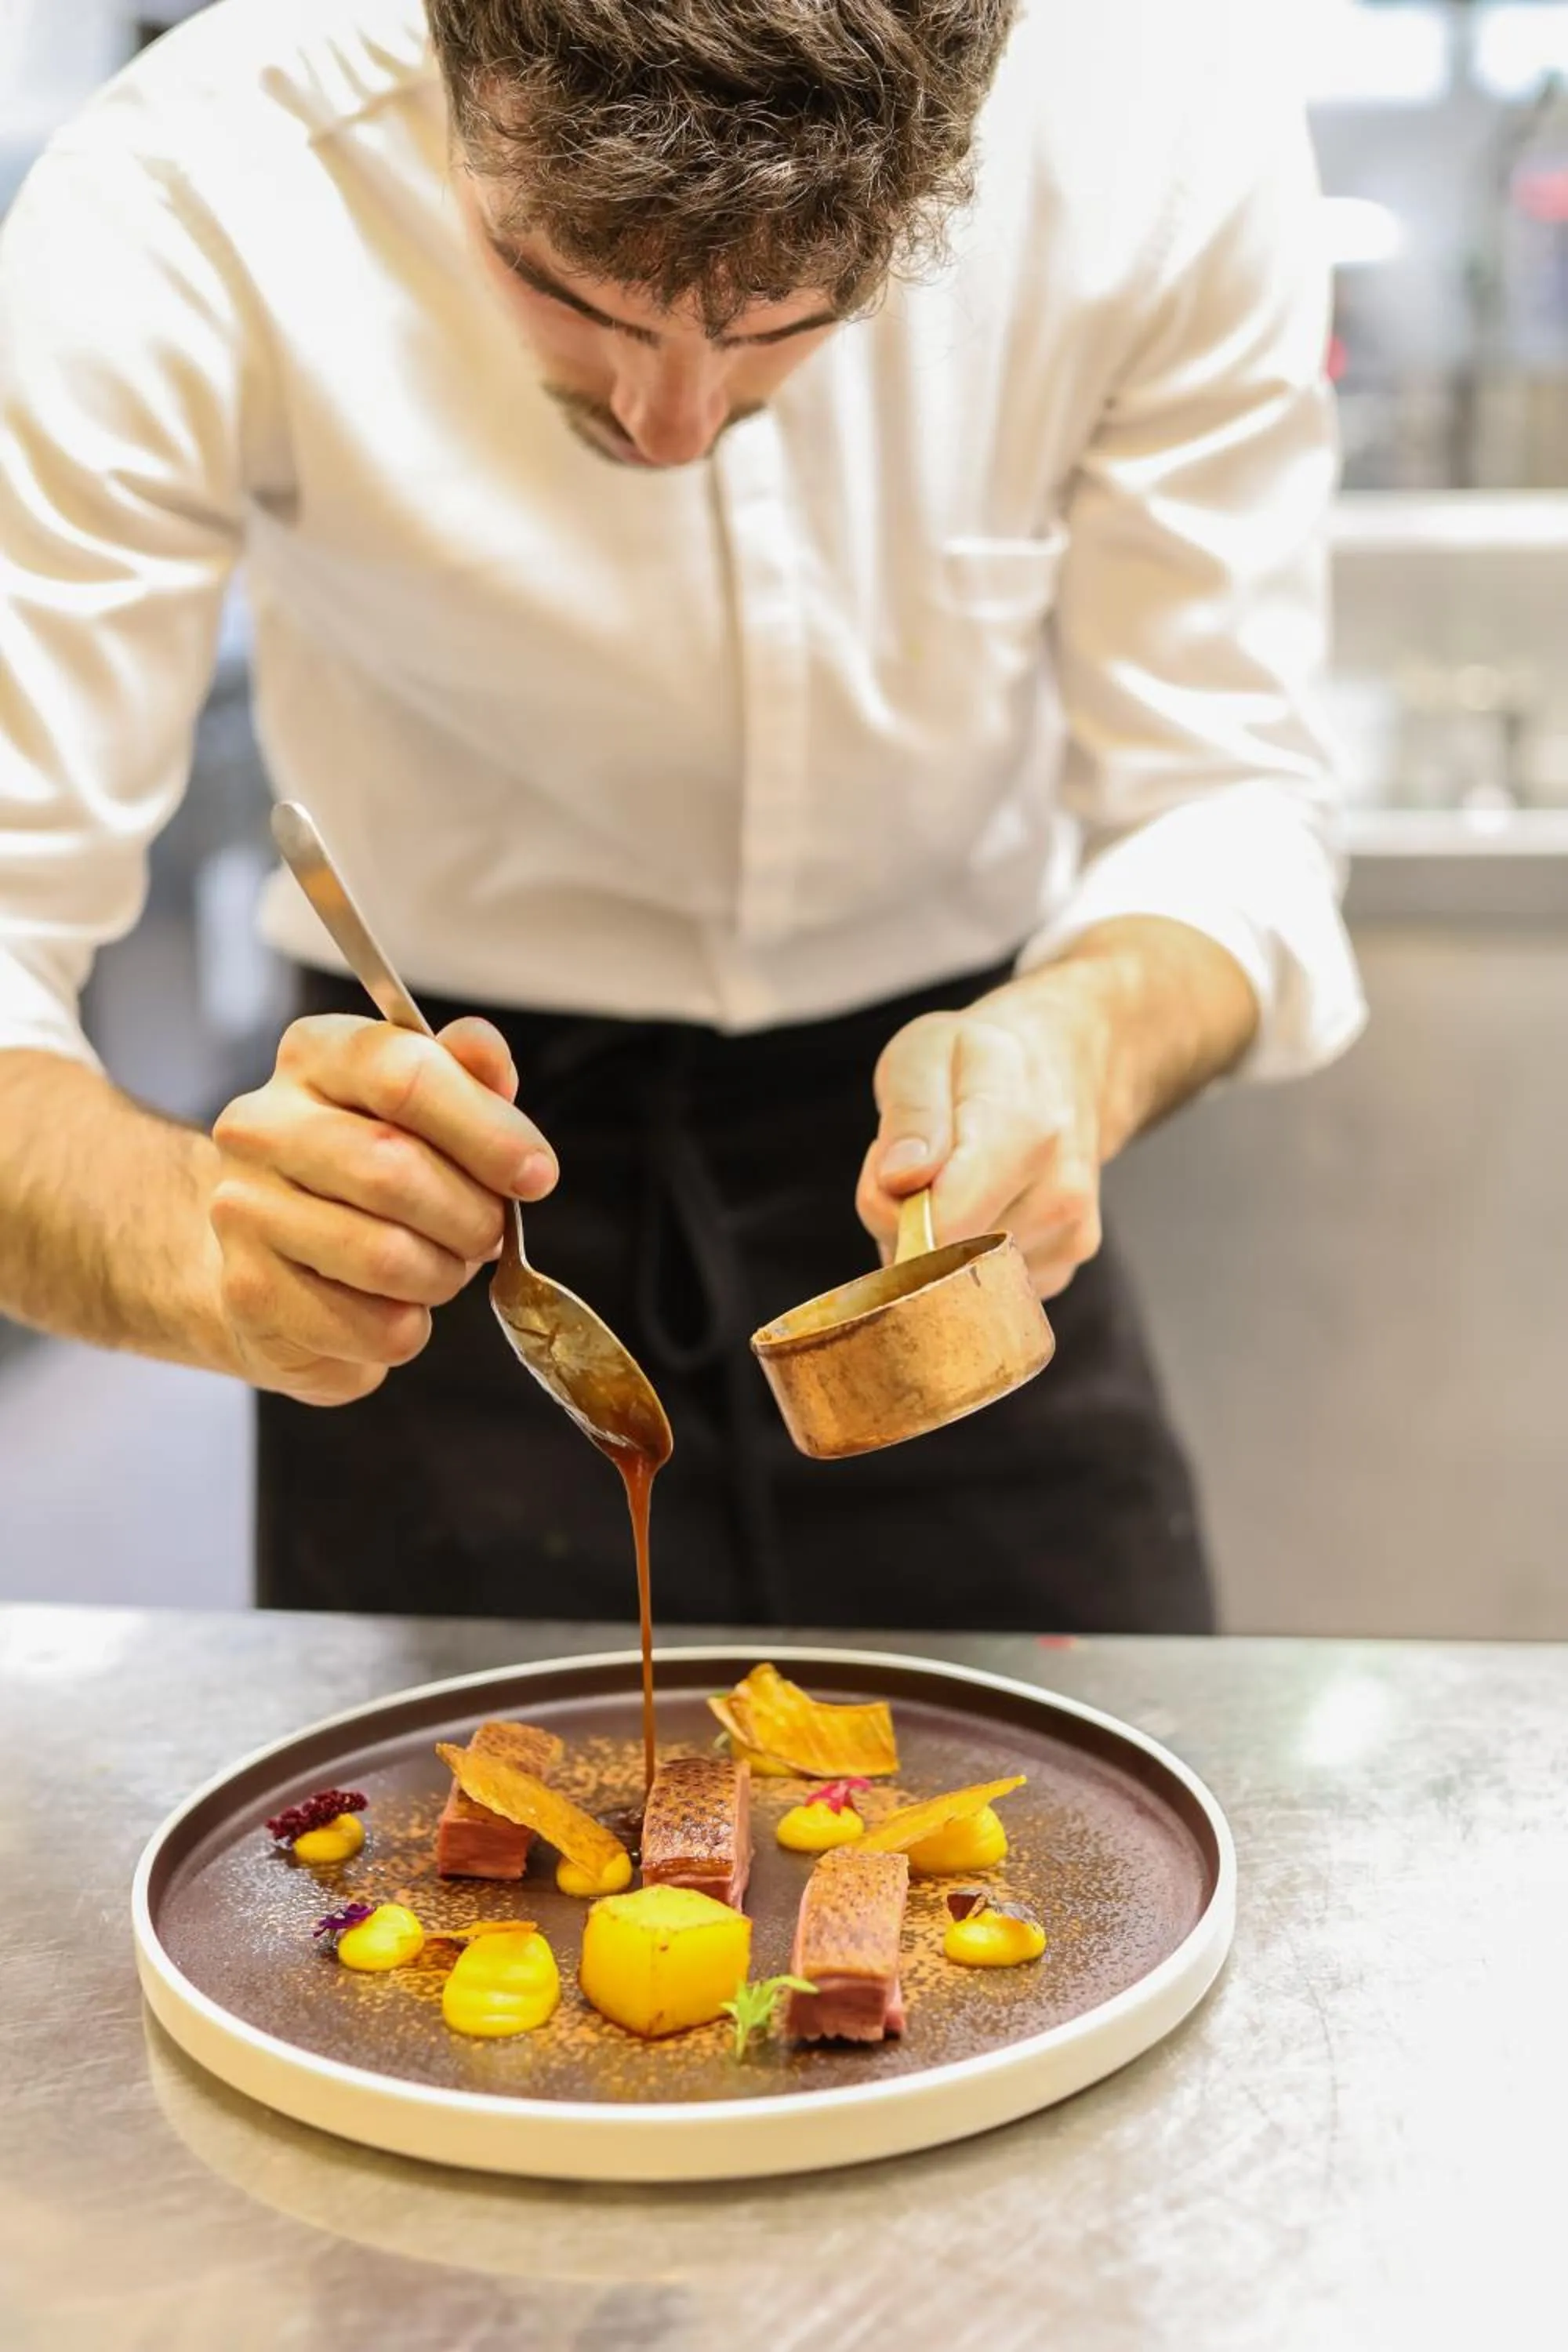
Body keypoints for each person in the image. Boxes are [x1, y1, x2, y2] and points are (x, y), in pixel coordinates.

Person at [0, 0, 1365, 1633]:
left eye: (794, 319)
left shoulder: (1154, 124)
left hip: (936, 1185)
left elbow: (1228, 797)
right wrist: (194, 1248)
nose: (673, 426)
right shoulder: (195, 178)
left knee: (1090, 1842)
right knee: (446, 1872)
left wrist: (1083, 1042)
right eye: (566, 293)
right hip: (446, 1200)